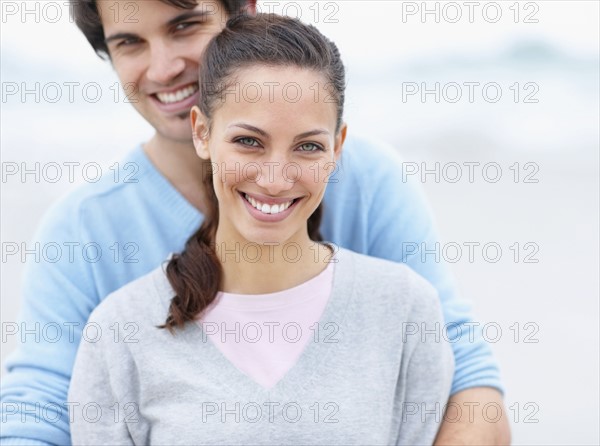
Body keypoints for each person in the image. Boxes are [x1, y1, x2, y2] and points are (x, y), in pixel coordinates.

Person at [0, 1, 510, 444]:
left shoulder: (369, 181)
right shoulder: (84, 231)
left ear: (244, 16)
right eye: (130, 42)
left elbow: (459, 367)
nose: (163, 67)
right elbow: (39, 408)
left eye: (184, 26)